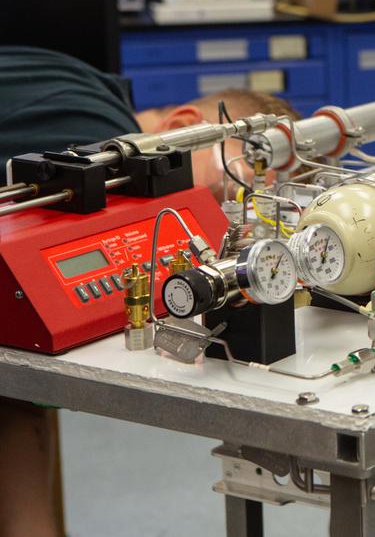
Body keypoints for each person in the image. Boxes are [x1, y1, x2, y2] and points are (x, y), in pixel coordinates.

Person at [0, 45, 299, 537]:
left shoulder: (81, 77)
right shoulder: (91, 145)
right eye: (225, 195)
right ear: (179, 130)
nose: (221, 230)